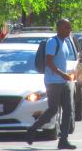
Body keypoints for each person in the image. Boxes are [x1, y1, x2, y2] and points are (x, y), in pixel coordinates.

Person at [26, 19, 76, 150]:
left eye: (70, 28)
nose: (69, 30)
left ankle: (63, 140)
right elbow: (49, 62)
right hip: (53, 82)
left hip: (64, 81)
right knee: (53, 109)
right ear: (59, 28)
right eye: (67, 27)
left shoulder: (65, 42)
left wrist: (68, 74)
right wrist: (61, 74)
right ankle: (32, 129)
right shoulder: (52, 42)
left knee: (68, 110)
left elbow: (61, 61)